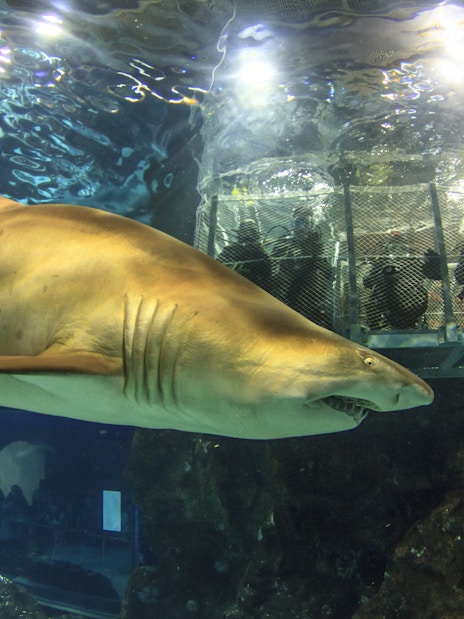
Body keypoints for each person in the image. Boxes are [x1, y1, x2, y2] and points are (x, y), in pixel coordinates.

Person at [271, 206, 333, 329]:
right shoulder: (284, 240)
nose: (302, 226)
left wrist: (315, 255)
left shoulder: (315, 242)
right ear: (293, 223)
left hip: (311, 290)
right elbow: (272, 262)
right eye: (298, 222)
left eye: (306, 222)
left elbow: (327, 272)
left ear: (311, 224)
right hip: (288, 288)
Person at [363, 234, 441, 329]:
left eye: (402, 248)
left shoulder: (415, 263)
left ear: (408, 249)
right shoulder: (382, 263)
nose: (398, 251)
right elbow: (367, 282)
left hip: (413, 307)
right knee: (373, 297)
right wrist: (382, 274)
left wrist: (435, 265)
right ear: (388, 249)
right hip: (388, 306)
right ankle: (374, 324)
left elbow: (437, 276)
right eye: (394, 248)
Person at [217, 219, 273, 293]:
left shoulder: (260, 251)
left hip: (253, 289)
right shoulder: (231, 249)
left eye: (250, 231)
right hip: (233, 288)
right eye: (245, 231)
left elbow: (268, 273)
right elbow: (218, 267)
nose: (247, 234)